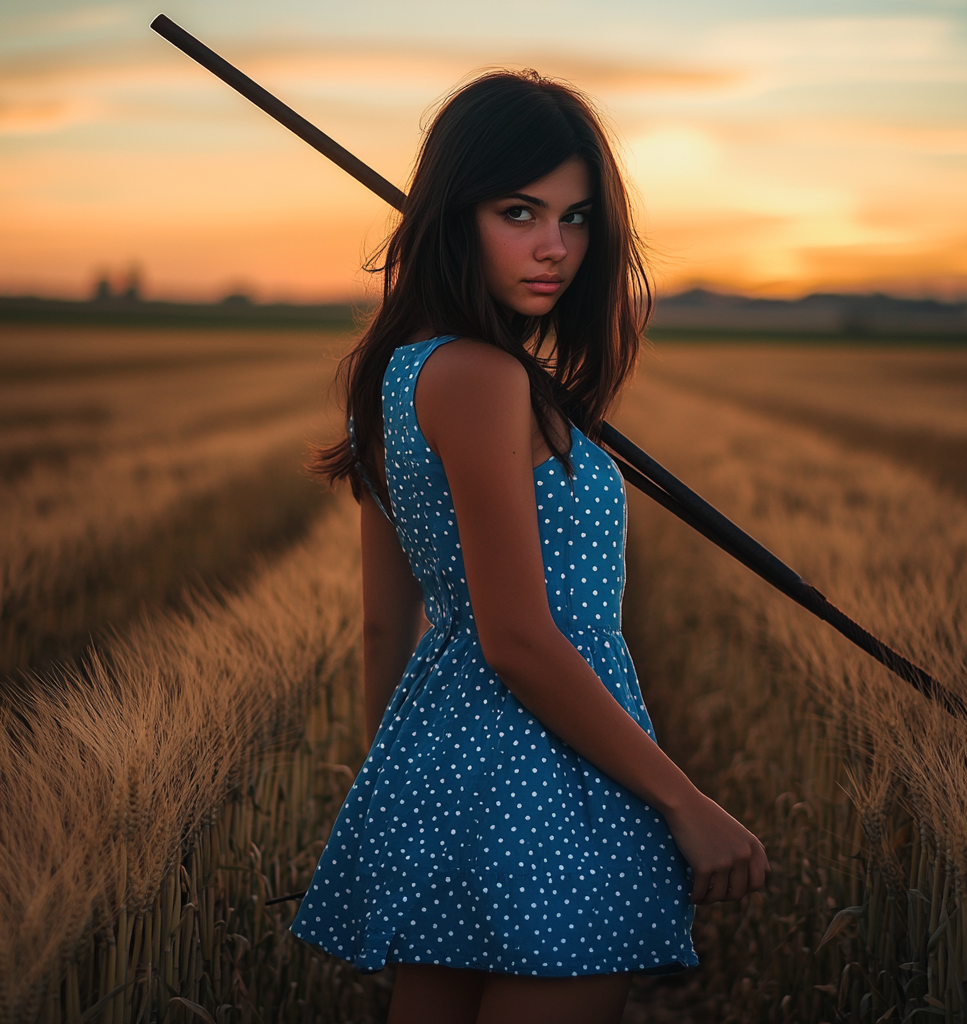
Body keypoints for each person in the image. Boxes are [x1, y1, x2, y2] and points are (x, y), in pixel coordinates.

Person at [291, 70, 769, 1024]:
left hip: (443, 770)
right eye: (520, 211)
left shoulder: (396, 376)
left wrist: (407, 809)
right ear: (454, 213)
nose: (555, 248)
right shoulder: (482, 378)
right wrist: (685, 803)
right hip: (549, 779)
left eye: (577, 217)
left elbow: (387, 630)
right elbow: (516, 638)